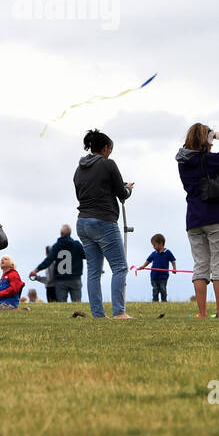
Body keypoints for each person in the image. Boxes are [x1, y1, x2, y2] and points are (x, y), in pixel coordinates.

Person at [176, 123, 219, 319]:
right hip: (216, 216)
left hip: (193, 218)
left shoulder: (182, 161)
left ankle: (201, 312)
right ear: (206, 139)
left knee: (200, 265)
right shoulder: (210, 160)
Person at [72, 129, 134, 319]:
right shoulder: (108, 165)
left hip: (83, 221)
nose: (110, 153)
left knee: (94, 270)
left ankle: (98, 314)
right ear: (105, 148)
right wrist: (128, 189)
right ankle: (119, 312)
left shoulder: (79, 168)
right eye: (110, 149)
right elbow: (121, 194)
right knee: (120, 267)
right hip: (103, 220)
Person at [30, 225, 87, 304]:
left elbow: (48, 260)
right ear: (70, 233)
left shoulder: (57, 246)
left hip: (61, 280)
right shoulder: (77, 245)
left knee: (61, 304)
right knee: (77, 302)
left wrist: (36, 270)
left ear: (61, 233)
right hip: (75, 278)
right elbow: (86, 256)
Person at [136, 234, 177, 301]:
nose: (153, 247)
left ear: (160, 244)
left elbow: (173, 260)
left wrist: (174, 268)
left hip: (163, 276)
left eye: (154, 245)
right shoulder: (154, 253)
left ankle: (164, 301)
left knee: (163, 289)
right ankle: (155, 301)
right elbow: (148, 261)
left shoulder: (167, 252)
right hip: (154, 276)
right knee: (155, 289)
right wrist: (143, 266)